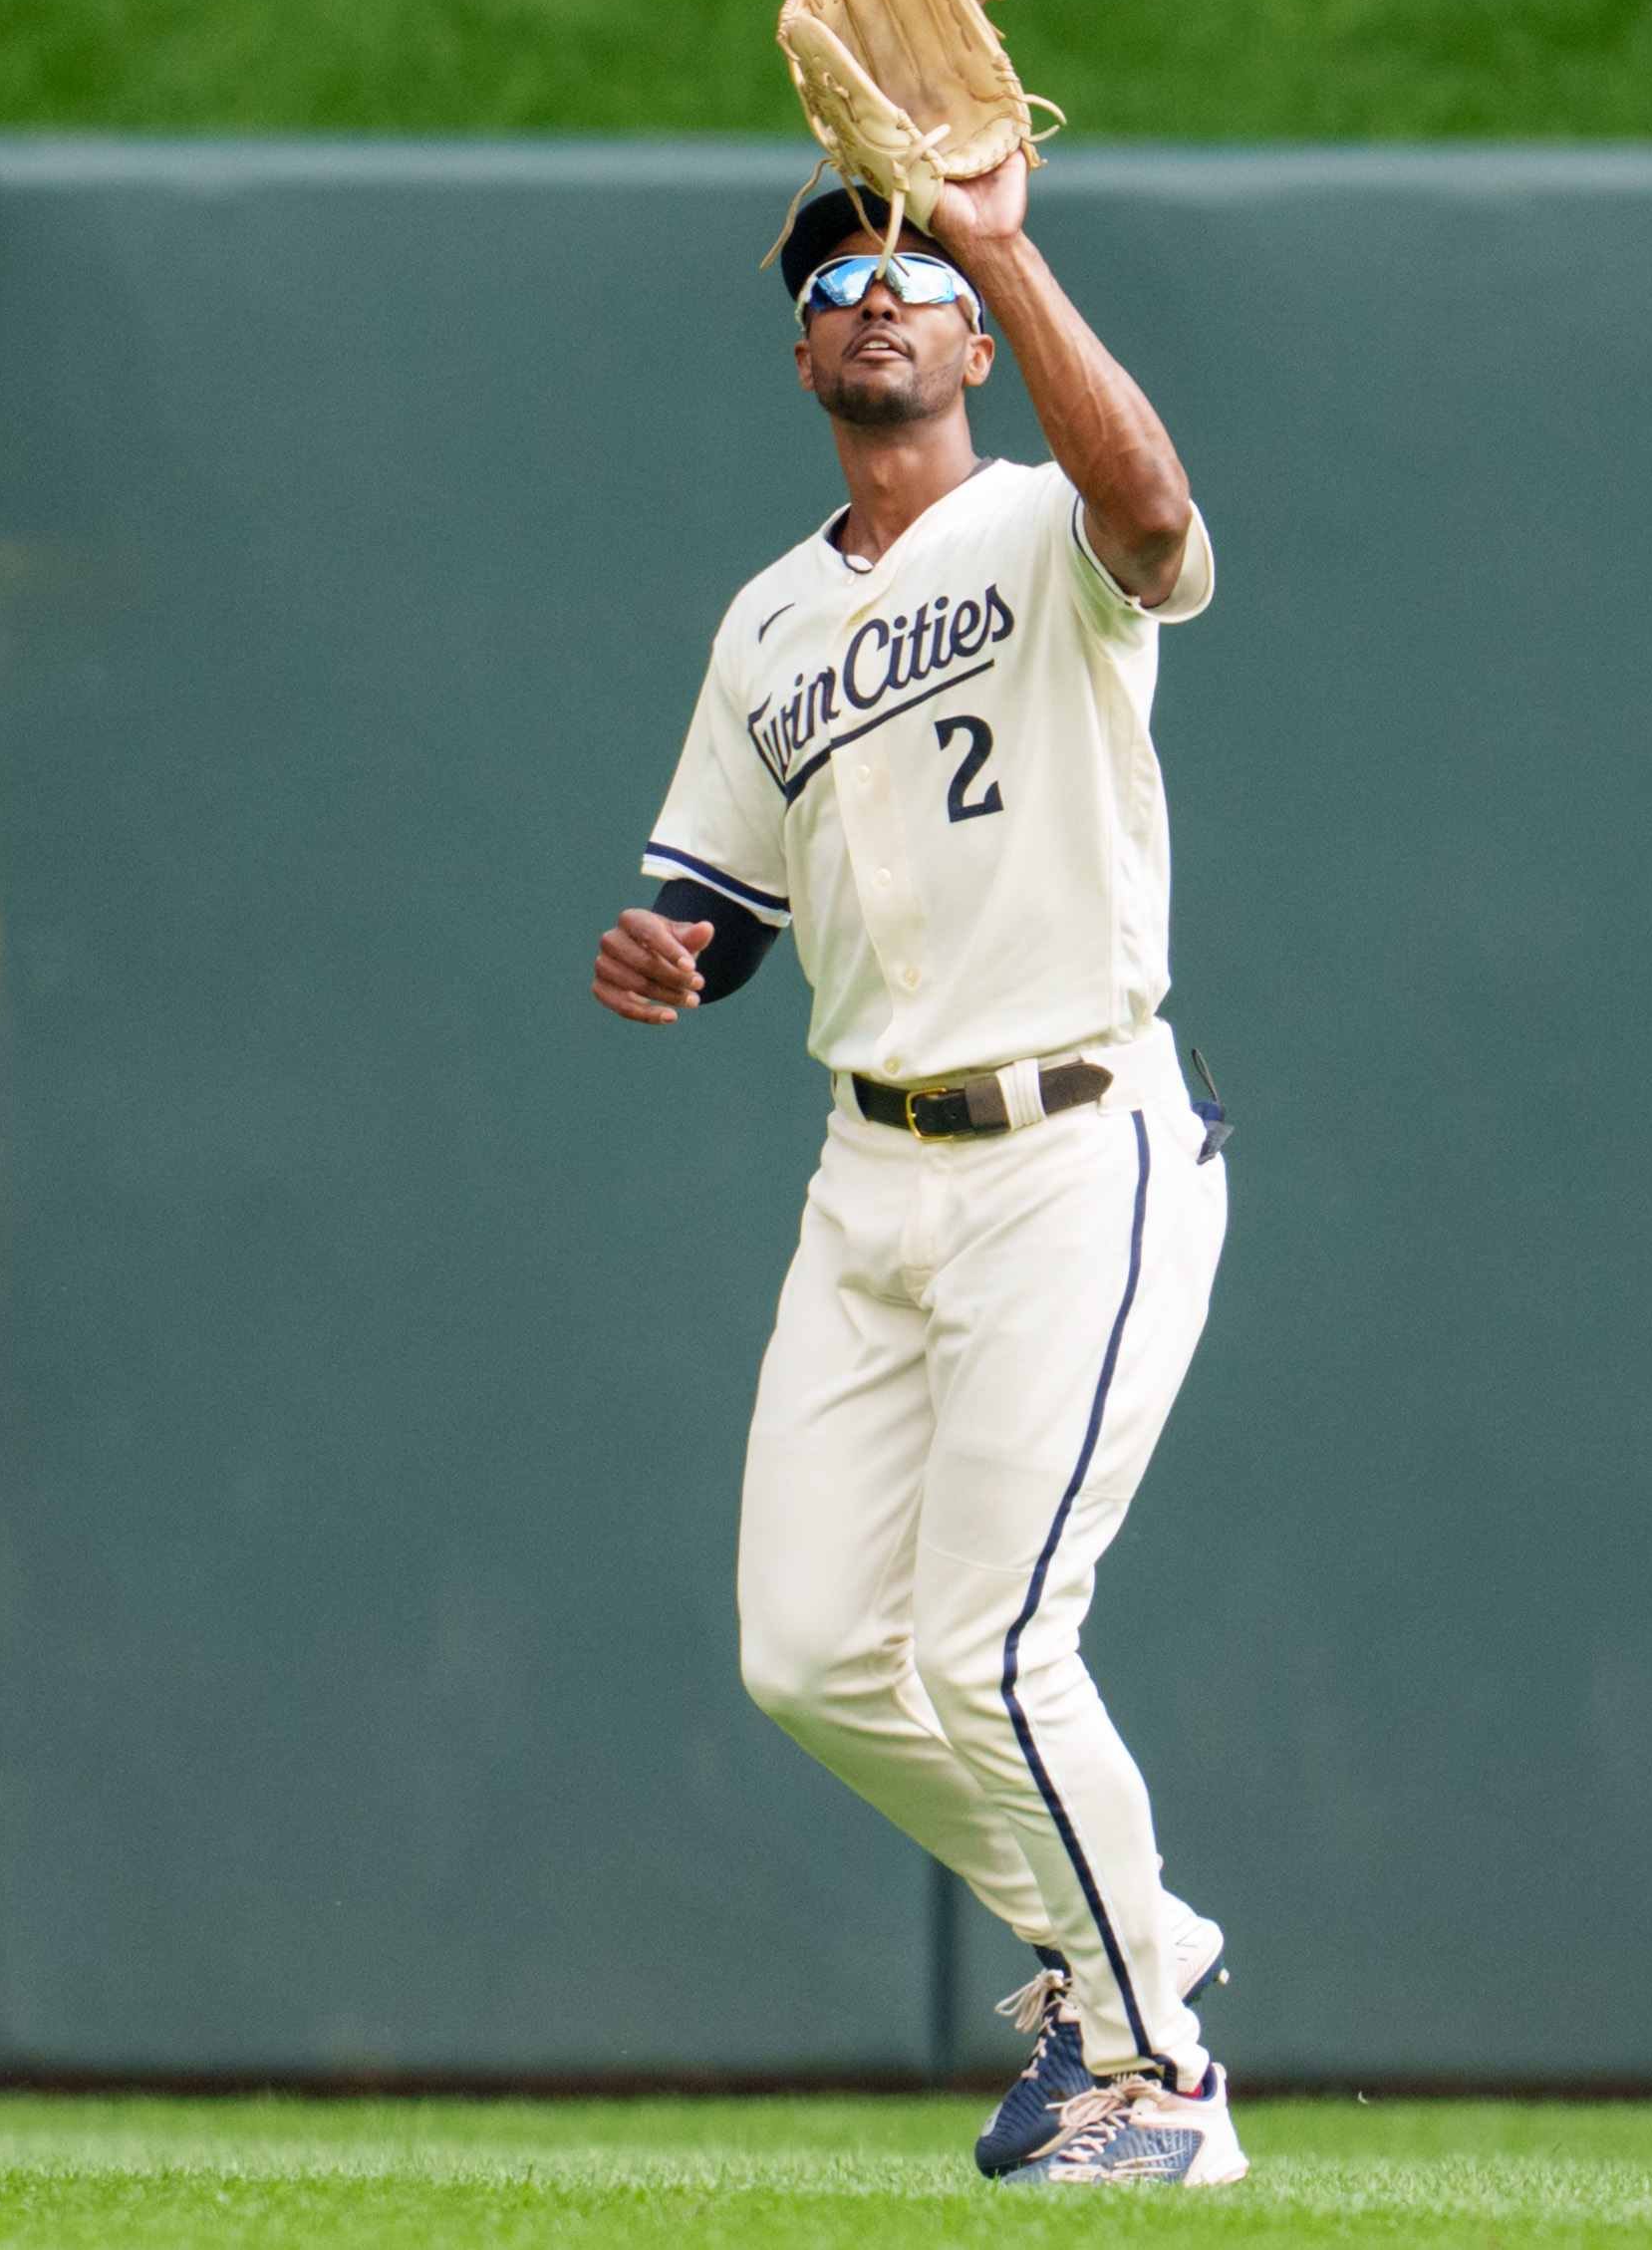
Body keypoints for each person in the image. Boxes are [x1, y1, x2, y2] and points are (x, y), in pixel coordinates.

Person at [588, 152, 1242, 2187]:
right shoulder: (768, 621)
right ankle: (1122, 1940)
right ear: (799, 355)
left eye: (904, 270)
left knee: (983, 1649)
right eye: (833, 279)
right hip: (867, 1175)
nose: (870, 295)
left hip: (1072, 1144)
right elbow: (727, 897)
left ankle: (1160, 2085)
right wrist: (671, 959)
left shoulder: (1050, 523)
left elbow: (1153, 516)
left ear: (965, 334)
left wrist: (1003, 238)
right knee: (802, 1650)